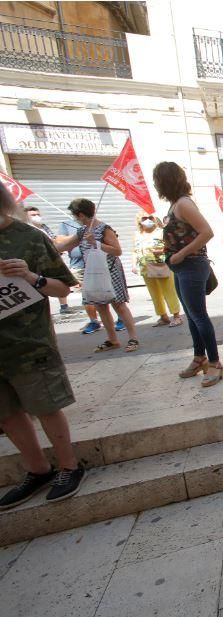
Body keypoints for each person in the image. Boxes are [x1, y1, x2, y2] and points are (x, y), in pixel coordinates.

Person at [0, 183, 86, 509]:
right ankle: (37, 469)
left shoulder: (29, 237)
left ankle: (68, 466)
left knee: (45, 405)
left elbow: (64, 286)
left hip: (28, 343)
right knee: (7, 414)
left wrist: (31, 276)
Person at [153, 161, 222, 387]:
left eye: (157, 180)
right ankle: (199, 357)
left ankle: (215, 364)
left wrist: (180, 254)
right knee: (192, 316)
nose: (155, 184)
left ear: (165, 181)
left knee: (199, 316)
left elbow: (207, 232)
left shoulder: (183, 204)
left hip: (191, 265)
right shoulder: (176, 205)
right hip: (183, 267)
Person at [55, 199, 140, 353]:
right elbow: (64, 246)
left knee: (119, 304)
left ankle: (133, 338)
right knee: (101, 305)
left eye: (74, 215)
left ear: (80, 214)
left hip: (111, 270)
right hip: (93, 272)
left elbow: (117, 251)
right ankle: (112, 339)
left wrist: (97, 243)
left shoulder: (104, 229)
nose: (74, 218)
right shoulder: (82, 231)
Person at [133, 211, 182, 328]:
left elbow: (172, 247)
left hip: (160, 265)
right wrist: (134, 265)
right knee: (154, 293)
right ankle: (163, 316)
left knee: (168, 290)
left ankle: (176, 316)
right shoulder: (138, 234)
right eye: (144, 218)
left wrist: (160, 251)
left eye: (150, 217)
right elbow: (134, 250)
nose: (148, 220)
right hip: (145, 266)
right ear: (139, 220)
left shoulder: (161, 232)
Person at [25, 205, 73, 314]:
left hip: (50, 260)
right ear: (26, 217)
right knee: (40, 287)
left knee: (59, 282)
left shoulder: (44, 227)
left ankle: (64, 306)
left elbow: (53, 240)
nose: (36, 216)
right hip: (35, 265)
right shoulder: (25, 230)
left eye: (38, 214)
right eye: (33, 215)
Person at [57, 215, 101, 333]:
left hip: (96, 264)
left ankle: (118, 319)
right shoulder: (66, 224)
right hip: (78, 265)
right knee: (86, 296)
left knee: (103, 293)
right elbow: (59, 241)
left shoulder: (97, 224)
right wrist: (77, 236)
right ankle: (94, 321)